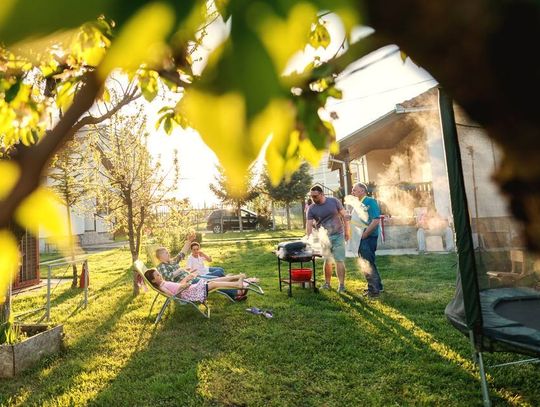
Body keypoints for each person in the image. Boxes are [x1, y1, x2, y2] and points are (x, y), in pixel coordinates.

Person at [306, 185, 350, 292]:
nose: (313, 199)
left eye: (315, 196)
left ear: (322, 194)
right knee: (327, 260)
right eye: (311, 196)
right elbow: (308, 225)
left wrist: (347, 231)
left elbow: (344, 216)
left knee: (339, 260)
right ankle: (327, 284)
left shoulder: (334, 201)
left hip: (338, 234)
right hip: (324, 237)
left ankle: (342, 285)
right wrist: (309, 239)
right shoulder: (311, 208)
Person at [351, 182, 383, 298]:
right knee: (369, 262)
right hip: (361, 237)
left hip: (367, 238)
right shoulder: (358, 203)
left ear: (362, 191)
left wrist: (365, 234)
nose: (352, 192)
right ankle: (377, 286)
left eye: (354, 190)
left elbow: (375, 220)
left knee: (367, 263)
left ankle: (373, 290)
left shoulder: (370, 201)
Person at [144, 268, 250, 303]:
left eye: (159, 273)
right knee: (213, 283)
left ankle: (236, 278)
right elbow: (173, 295)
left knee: (214, 280)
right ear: (153, 280)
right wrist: (184, 286)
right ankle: (237, 284)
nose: (160, 275)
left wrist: (186, 278)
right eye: (157, 275)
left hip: (190, 289)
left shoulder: (164, 282)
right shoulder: (162, 287)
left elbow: (177, 285)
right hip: (190, 293)